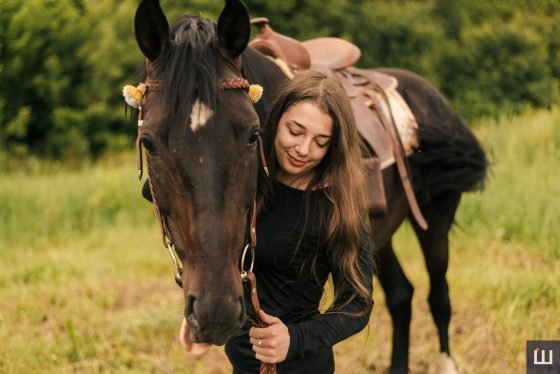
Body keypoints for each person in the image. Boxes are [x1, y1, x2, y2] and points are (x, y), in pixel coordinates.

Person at [224, 70, 375, 374]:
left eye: (321, 142)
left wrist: (294, 339)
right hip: (242, 365)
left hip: (301, 367)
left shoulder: (336, 205)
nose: (304, 150)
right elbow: (161, 191)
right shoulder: (249, 175)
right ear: (276, 119)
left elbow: (357, 303)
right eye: (295, 131)